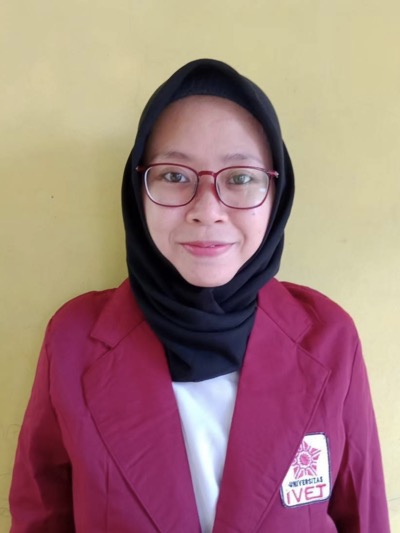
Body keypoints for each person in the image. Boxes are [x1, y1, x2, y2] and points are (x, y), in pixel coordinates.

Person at [9, 59, 390, 532]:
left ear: (277, 193)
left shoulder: (329, 338)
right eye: (174, 176)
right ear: (137, 189)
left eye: (240, 177)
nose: (207, 210)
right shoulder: (73, 340)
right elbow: (40, 517)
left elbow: (364, 517)